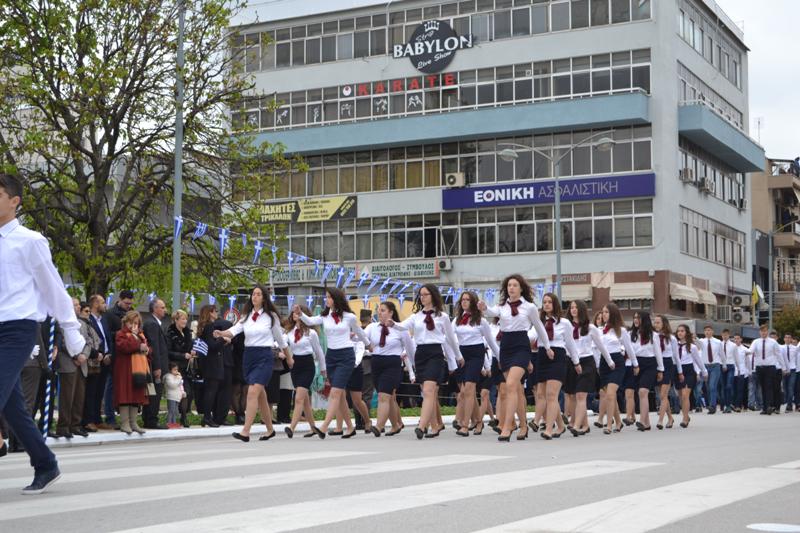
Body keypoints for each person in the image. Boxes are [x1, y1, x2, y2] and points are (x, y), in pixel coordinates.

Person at [0, 172, 87, 494]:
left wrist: (71, 329)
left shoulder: (31, 241)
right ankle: (46, 463)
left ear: (15, 201)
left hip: (18, 328)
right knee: (13, 407)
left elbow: (52, 288)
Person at [479, 274, 550, 442]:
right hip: (506, 346)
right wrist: (484, 307)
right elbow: (491, 312)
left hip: (521, 346)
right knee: (516, 390)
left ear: (521, 288)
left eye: (515, 285)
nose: (511, 288)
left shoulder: (529, 307)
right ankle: (523, 426)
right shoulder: (502, 306)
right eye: (509, 285)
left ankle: (507, 426)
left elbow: (539, 327)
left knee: (510, 384)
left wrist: (547, 347)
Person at [295, 288, 372, 438]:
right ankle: (350, 427)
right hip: (331, 356)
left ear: (336, 299)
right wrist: (300, 314)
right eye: (326, 297)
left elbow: (360, 332)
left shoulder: (349, 317)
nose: (327, 300)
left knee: (335, 393)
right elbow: (310, 321)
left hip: (346, 356)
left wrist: (368, 345)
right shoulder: (325, 316)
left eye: (329, 297)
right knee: (340, 395)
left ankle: (324, 427)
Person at [216, 285, 289, 442]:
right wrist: (221, 333)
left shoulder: (271, 317)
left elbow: (281, 340)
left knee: (252, 392)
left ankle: (245, 431)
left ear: (264, 298)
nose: (254, 296)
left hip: (264, 356)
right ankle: (270, 430)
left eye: (258, 294)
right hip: (249, 357)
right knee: (260, 395)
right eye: (253, 294)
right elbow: (234, 330)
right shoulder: (246, 316)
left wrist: (289, 358)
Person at [390, 284, 463, 439]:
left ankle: (422, 426)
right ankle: (435, 426)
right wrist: (392, 324)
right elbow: (402, 326)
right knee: (427, 392)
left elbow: (450, 339)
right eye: (421, 295)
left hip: (435, 353)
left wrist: (457, 357)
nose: (422, 297)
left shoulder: (443, 317)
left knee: (429, 390)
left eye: (425, 294)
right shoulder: (416, 316)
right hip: (420, 354)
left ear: (433, 296)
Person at [452, 291, 499, 437]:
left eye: (467, 299)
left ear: (473, 302)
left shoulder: (481, 321)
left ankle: (465, 425)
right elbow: (450, 338)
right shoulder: (457, 320)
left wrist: (499, 359)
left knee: (469, 389)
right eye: (462, 300)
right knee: (466, 392)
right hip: (462, 355)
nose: (464, 302)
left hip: (476, 354)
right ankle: (479, 421)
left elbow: (491, 342)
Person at [365, 301, 416, 436]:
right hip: (376, 363)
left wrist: (414, 367)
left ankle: (379, 426)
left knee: (384, 396)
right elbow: (362, 338)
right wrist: (357, 339)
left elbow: (410, 348)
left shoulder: (400, 329)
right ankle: (395, 425)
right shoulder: (372, 327)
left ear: (391, 313)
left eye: (383, 310)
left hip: (392, 364)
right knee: (390, 397)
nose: (379, 313)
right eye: (379, 310)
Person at [535, 293, 579, 440]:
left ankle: (549, 429)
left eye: (549, 302)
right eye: (544, 302)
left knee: (551, 395)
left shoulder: (565, 323)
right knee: (542, 394)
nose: (547, 304)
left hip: (558, 357)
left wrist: (576, 362)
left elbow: (571, 344)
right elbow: (531, 336)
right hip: (542, 356)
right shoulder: (539, 322)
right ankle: (560, 426)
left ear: (555, 304)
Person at [55, 298, 99, 439]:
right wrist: (75, 356)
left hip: (82, 364)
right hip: (68, 363)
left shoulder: (81, 323)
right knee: (67, 397)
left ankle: (75, 425)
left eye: (79, 305)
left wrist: (84, 355)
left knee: (79, 397)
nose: (78, 307)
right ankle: (63, 426)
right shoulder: (62, 322)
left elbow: (88, 342)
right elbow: (62, 342)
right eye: (75, 305)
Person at [567, 300, 611, 436]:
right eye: (571, 307)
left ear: (582, 310)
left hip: (587, 362)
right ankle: (585, 425)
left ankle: (576, 425)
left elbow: (601, 346)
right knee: (574, 395)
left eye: (576, 307)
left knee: (581, 395)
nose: (573, 310)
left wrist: (609, 361)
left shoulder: (591, 328)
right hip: (571, 362)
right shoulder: (567, 326)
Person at [284, 305, 325, 438]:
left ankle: (291, 428)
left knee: (299, 398)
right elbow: (281, 343)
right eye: (293, 312)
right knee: (305, 399)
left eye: (297, 312)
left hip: (307, 365)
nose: (294, 314)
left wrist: (323, 369)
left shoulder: (311, 333)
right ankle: (313, 428)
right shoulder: (289, 332)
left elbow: (319, 351)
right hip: (295, 365)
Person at [597, 303, 636, 435]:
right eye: (603, 312)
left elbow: (629, 349)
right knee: (610, 396)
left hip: (617, 362)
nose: (604, 314)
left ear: (613, 314)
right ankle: (618, 422)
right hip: (604, 362)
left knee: (610, 394)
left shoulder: (621, 330)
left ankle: (609, 425)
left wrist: (635, 364)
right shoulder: (600, 330)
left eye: (606, 312)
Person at [113, 311, 150, 435]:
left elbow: (147, 349)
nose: (133, 326)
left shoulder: (141, 335)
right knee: (125, 395)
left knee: (136, 396)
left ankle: (133, 423)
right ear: (125, 322)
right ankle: (125, 423)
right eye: (131, 322)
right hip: (125, 369)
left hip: (138, 370)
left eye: (136, 323)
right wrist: (137, 344)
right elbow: (124, 347)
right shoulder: (120, 334)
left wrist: (147, 349)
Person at [103, 289, 134, 428]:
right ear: (120, 300)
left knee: (125, 388)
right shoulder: (110, 314)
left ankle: (126, 418)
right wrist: (122, 334)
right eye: (126, 303)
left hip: (129, 356)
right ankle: (110, 416)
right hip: (115, 355)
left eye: (130, 303)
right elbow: (106, 334)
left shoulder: (132, 314)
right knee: (111, 386)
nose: (128, 306)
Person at [629, 312, 663, 431]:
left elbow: (658, 352)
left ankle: (642, 421)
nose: (635, 320)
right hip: (636, 364)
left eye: (638, 318)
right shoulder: (631, 334)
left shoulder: (654, 335)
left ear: (644, 319)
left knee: (643, 391)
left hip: (650, 364)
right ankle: (647, 423)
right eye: (634, 317)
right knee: (640, 393)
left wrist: (660, 369)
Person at [85, 294, 114, 430]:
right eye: (102, 302)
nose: (105, 305)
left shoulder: (103, 320)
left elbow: (107, 339)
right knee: (91, 391)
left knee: (100, 391)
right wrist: (100, 354)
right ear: (95, 304)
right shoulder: (89, 320)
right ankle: (88, 419)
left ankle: (97, 418)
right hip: (94, 360)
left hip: (105, 360)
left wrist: (109, 354)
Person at [196, 306, 226, 427]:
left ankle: (207, 417)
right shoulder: (209, 326)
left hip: (207, 362)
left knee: (210, 390)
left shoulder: (204, 326)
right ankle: (207, 417)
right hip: (212, 363)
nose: (217, 313)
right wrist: (223, 339)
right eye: (215, 311)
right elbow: (212, 346)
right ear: (210, 313)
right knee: (211, 391)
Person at [142, 298, 169, 429]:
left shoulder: (155, 323)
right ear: (155, 309)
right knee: (154, 393)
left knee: (153, 392)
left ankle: (149, 419)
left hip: (156, 365)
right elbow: (155, 346)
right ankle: (151, 420)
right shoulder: (152, 324)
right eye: (162, 307)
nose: (165, 310)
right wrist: (157, 367)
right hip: (154, 366)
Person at [167, 308, 196, 427]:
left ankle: (184, 415)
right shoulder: (170, 333)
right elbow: (169, 352)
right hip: (176, 368)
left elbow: (189, 347)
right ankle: (181, 417)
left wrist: (192, 352)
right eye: (182, 319)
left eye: (186, 319)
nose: (185, 321)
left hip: (187, 367)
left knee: (189, 393)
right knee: (181, 392)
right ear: (176, 320)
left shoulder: (187, 332)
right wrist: (183, 355)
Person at [751, 325, 789, 415]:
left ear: (767, 332)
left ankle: (769, 406)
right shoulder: (756, 342)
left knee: (768, 386)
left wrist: (783, 367)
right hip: (760, 367)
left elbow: (779, 355)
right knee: (763, 387)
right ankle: (764, 408)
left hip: (770, 367)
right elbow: (751, 350)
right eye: (761, 331)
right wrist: (746, 352)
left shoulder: (773, 342)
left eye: (765, 331)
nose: (763, 333)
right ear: (759, 332)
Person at [675, 324, 707, 428]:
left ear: (686, 333)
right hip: (678, 371)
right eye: (678, 331)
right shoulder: (674, 345)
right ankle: (686, 414)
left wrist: (704, 372)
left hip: (689, 371)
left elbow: (698, 360)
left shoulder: (692, 347)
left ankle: (685, 419)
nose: (680, 333)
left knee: (685, 395)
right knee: (680, 396)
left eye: (682, 331)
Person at [653, 315, 680, 429]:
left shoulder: (672, 338)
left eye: (658, 322)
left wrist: (680, 371)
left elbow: (676, 356)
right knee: (661, 395)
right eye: (655, 322)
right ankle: (670, 418)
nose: (655, 324)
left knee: (663, 394)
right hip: (657, 364)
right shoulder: (653, 336)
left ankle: (660, 420)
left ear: (664, 323)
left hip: (668, 364)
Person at [697, 325, 723, 414]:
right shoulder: (701, 341)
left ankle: (713, 406)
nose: (707, 332)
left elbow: (722, 354)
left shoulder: (718, 342)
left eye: (709, 330)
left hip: (715, 365)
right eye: (706, 330)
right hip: (705, 366)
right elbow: (697, 343)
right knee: (708, 387)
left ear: (712, 331)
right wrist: (694, 337)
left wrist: (724, 364)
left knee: (712, 386)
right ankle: (712, 403)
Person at [163, 362, 186, 428]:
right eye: (174, 369)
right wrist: (179, 378)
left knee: (175, 411)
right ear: (170, 370)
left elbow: (180, 385)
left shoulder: (177, 377)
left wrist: (183, 392)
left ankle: (174, 423)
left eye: (177, 369)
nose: (176, 371)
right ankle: (169, 423)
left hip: (177, 397)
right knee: (171, 410)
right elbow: (172, 385)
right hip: (171, 396)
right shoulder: (168, 377)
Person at [720, 329, 737, 413]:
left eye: (726, 335)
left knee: (729, 386)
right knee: (723, 387)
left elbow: (736, 357)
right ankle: (725, 405)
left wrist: (738, 368)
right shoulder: (719, 344)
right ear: (721, 335)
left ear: (729, 335)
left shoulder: (733, 345)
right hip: (721, 366)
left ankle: (728, 405)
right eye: (723, 335)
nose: (725, 336)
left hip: (730, 366)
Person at [732, 334, 751, 413]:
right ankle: (735, 404)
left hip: (742, 371)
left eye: (738, 338)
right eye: (735, 339)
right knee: (734, 389)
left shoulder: (744, 349)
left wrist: (749, 371)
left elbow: (748, 361)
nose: (736, 340)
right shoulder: (732, 348)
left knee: (740, 389)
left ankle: (738, 406)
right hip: (733, 371)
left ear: (741, 339)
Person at [780, 334, 796, 412]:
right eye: (786, 337)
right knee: (785, 388)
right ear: (784, 339)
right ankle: (786, 401)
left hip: (792, 369)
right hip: (784, 370)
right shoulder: (781, 347)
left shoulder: (795, 348)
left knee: (790, 387)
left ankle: (789, 405)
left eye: (789, 338)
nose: (787, 339)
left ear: (791, 339)